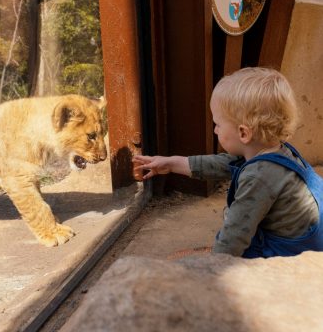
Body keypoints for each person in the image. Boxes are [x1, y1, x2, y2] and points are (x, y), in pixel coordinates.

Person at [132, 67, 323, 258]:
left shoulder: (259, 178)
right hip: (308, 236)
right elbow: (223, 163)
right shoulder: (276, 151)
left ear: (243, 133)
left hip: (293, 254)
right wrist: (171, 163)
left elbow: (235, 235)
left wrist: (212, 267)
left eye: (218, 124)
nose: (215, 130)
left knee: (231, 229)